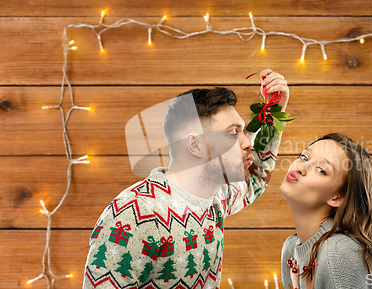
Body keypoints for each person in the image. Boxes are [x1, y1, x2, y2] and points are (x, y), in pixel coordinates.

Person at [83, 68, 290, 288]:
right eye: (232, 134)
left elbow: (256, 177)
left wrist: (273, 111)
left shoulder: (216, 198)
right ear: (195, 145)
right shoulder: (132, 215)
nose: (247, 142)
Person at [280, 133, 372, 289]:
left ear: (337, 197)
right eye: (304, 157)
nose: (301, 167)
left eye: (321, 170)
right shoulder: (291, 248)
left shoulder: (339, 253)